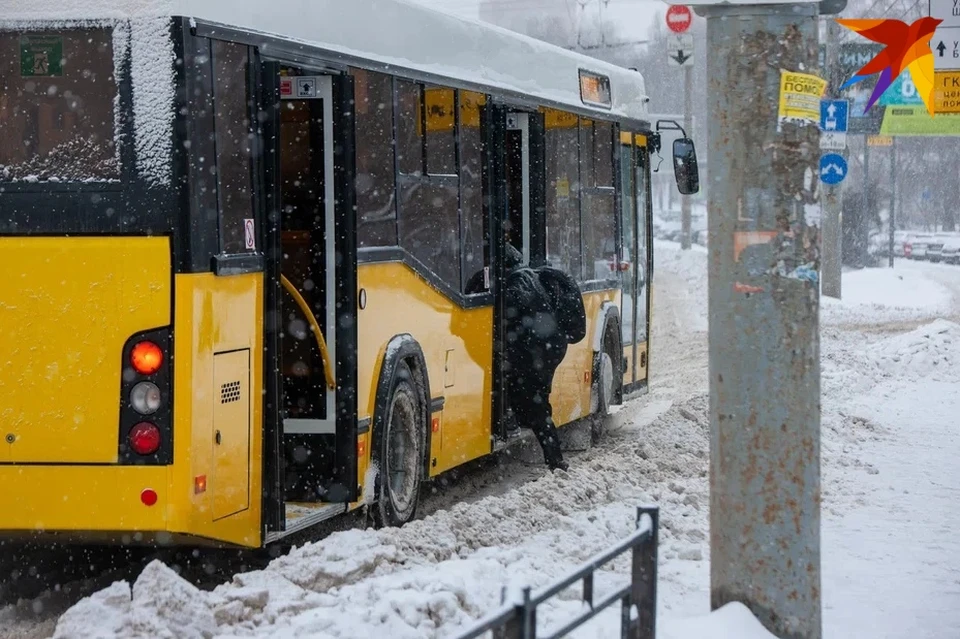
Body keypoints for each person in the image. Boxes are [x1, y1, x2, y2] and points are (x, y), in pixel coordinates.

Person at [502, 244, 586, 472]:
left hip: (536, 352)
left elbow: (515, 320)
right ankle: (547, 450)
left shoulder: (515, 284)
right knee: (536, 401)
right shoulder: (532, 276)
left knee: (537, 406)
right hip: (551, 348)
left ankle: (556, 461)